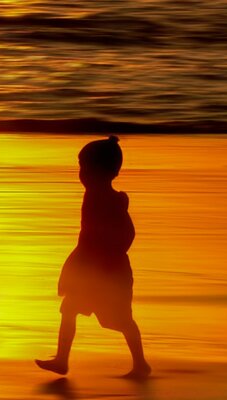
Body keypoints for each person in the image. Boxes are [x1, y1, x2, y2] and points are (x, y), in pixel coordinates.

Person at [36, 135, 151, 379]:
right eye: (80, 168)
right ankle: (62, 360)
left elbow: (128, 233)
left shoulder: (110, 201)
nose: (81, 174)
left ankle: (141, 363)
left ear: (105, 172)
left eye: (86, 168)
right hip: (89, 269)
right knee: (69, 309)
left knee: (118, 321)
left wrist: (110, 258)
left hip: (109, 272)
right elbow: (86, 237)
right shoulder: (93, 196)